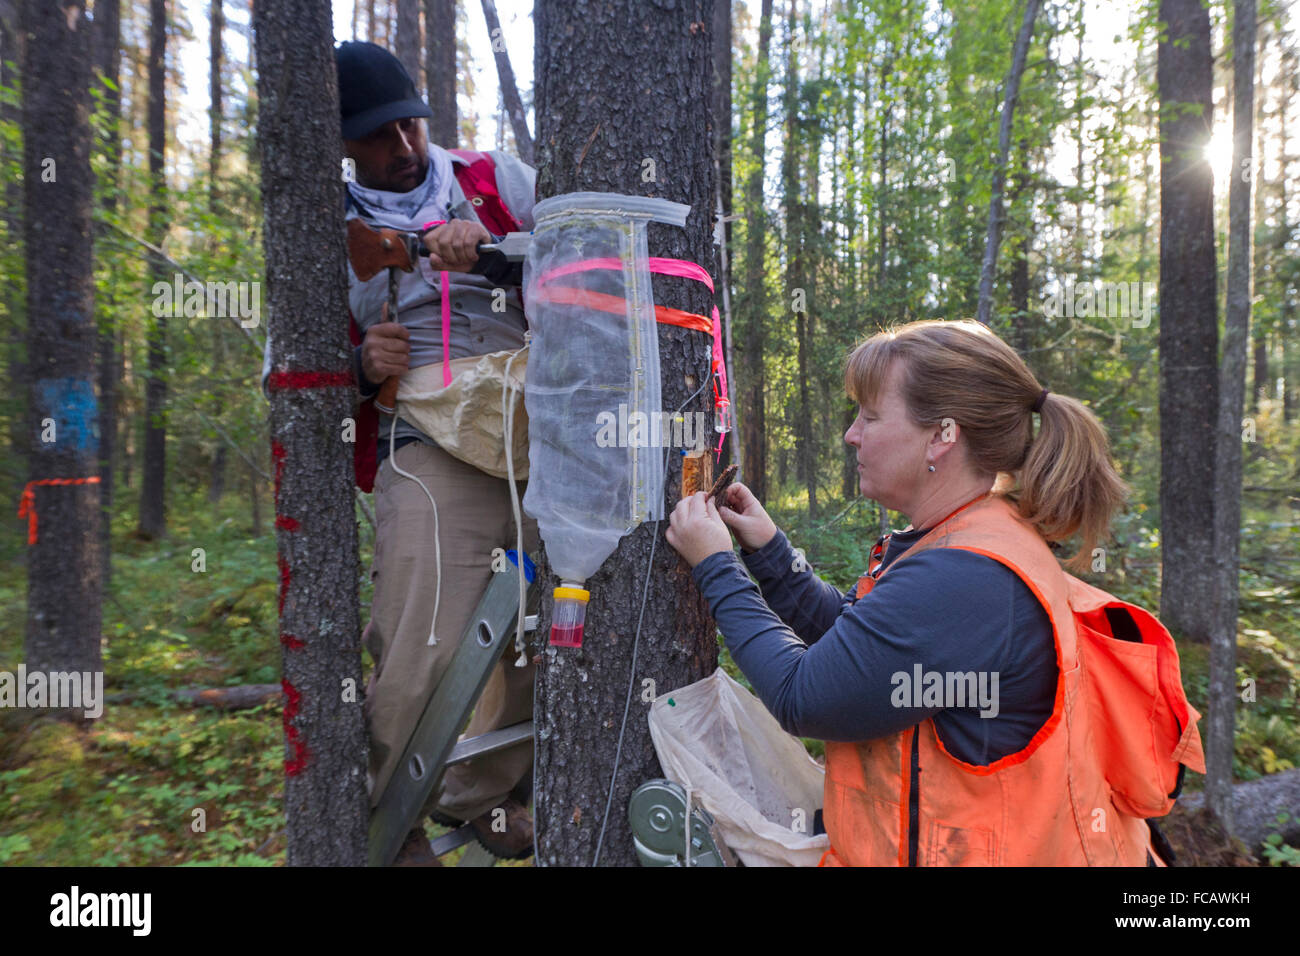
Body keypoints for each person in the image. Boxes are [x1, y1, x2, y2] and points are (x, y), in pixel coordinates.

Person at [666, 318, 1203, 866]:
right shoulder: (969, 534)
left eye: (871, 416)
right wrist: (769, 551)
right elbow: (859, 651)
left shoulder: (966, 578)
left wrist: (716, 565)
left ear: (943, 435)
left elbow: (806, 698)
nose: (852, 434)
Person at [266, 41, 538, 864]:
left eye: (409, 123)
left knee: (539, 630)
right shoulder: (320, 229)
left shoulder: (498, 181)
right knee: (422, 640)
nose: (404, 146)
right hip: (429, 444)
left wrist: (489, 251)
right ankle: (389, 823)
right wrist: (357, 367)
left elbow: (578, 270)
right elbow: (283, 369)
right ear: (343, 143)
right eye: (379, 136)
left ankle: (484, 794)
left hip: (537, 443)